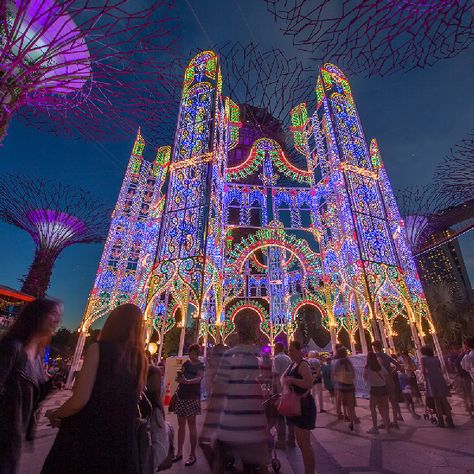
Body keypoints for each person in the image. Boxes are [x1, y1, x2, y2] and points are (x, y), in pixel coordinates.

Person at [41, 303, 147, 474]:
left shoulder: (99, 349)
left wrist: (55, 413)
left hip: (90, 440)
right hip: (122, 444)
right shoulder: (139, 360)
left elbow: (79, 400)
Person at [0, 298, 62, 474]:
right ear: (38, 316)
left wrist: (49, 385)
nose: (57, 320)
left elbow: (30, 400)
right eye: (53, 314)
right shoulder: (13, 348)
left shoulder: (36, 356)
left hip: (13, 441)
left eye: (59, 316)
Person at [205, 311, 269, 473]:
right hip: (254, 427)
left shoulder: (229, 356)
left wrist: (208, 428)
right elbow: (268, 388)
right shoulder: (263, 357)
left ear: (237, 332)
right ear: (255, 332)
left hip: (230, 424)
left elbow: (218, 394)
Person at [283, 340, 317, 474]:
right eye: (288, 350)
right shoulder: (293, 364)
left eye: (291, 350)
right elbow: (283, 378)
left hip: (304, 406)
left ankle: (310, 472)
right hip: (296, 405)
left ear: (299, 351)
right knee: (301, 442)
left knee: (304, 444)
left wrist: (292, 380)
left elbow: (309, 383)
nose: (289, 353)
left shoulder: (303, 364)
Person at [173, 343, 204, 467]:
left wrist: (188, 382)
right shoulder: (186, 364)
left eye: (193, 353)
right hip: (182, 395)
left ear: (197, 353)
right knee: (181, 425)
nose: (191, 355)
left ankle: (192, 454)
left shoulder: (201, 365)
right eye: (190, 352)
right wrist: (179, 378)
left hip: (192, 396)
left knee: (191, 425)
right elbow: (180, 374)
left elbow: (199, 378)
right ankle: (179, 452)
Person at [420, 345, 453, 428]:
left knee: (436, 401)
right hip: (439, 378)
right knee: (444, 400)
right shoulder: (435, 358)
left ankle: (441, 420)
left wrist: (424, 376)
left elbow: (423, 371)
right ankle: (450, 420)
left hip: (431, 379)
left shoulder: (423, 359)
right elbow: (439, 368)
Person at [372, 340, 402, 428]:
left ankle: (386, 421)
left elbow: (378, 367)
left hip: (382, 380)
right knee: (393, 400)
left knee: (382, 402)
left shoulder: (376, 356)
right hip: (390, 379)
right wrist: (392, 372)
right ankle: (395, 421)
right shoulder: (386, 355)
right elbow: (398, 366)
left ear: (374, 348)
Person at [271, 341, 295, 449]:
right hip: (289, 389)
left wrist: (273, 389)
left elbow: (275, 375)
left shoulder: (276, 359)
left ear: (276, 348)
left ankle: (281, 440)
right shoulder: (288, 358)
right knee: (289, 415)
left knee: (280, 416)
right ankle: (291, 439)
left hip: (280, 389)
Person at [364, 352, 391, 434]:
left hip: (374, 389)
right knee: (385, 408)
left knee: (373, 408)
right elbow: (387, 376)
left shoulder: (368, 367)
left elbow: (365, 377)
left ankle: (375, 427)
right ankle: (387, 427)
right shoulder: (380, 366)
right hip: (383, 388)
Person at [332, 346, 358, 430]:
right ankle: (352, 421)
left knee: (341, 401)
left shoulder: (338, 362)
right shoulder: (349, 362)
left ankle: (341, 414)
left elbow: (334, 373)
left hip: (341, 385)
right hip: (350, 385)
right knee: (350, 404)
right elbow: (353, 374)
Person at [456, 342, 473, 417]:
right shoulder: (465, 355)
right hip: (465, 376)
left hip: (465, 376)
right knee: (468, 394)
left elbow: (457, 365)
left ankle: (470, 409)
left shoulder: (466, 355)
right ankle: (470, 408)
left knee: (467, 394)